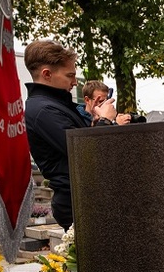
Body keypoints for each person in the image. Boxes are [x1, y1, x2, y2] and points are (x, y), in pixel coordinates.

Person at [24, 40, 113, 229]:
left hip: (84, 196)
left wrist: (95, 122)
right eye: (70, 75)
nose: (74, 82)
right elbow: (86, 152)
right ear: (47, 74)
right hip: (76, 200)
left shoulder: (56, 104)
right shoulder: (44, 110)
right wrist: (105, 121)